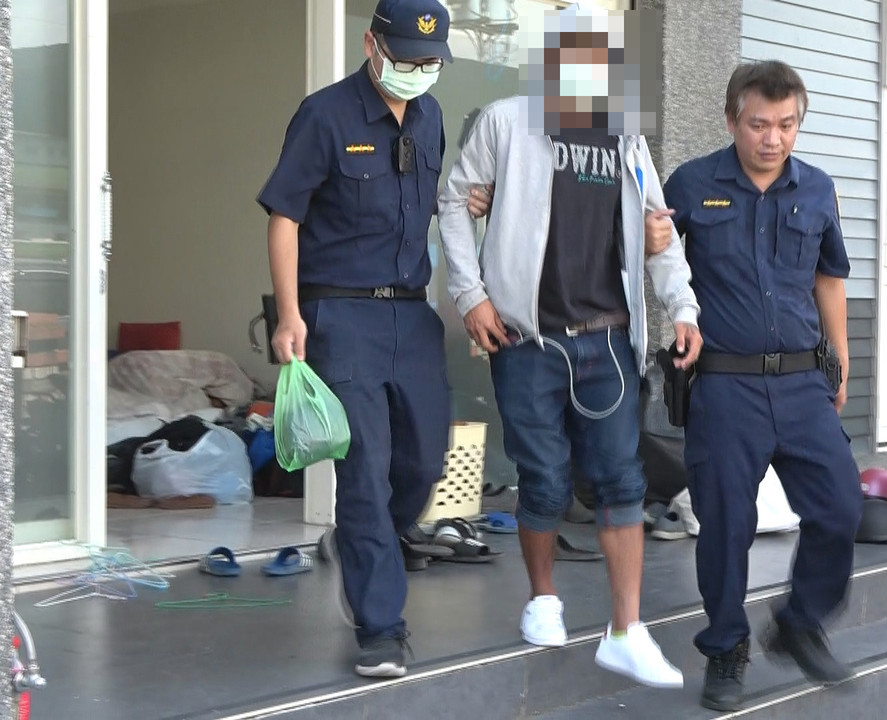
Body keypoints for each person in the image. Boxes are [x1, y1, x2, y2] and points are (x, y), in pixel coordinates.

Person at [436, 4, 701, 689]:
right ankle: (543, 601)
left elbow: (660, 230)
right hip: (527, 341)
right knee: (545, 480)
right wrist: (471, 296)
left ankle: (626, 631)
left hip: (607, 340)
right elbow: (454, 201)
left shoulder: (625, 137)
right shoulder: (506, 122)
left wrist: (682, 307)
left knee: (622, 482)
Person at [256, 0, 463, 679]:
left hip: (413, 316)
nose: (418, 71)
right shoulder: (325, 115)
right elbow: (284, 217)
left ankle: (356, 541)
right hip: (341, 315)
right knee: (366, 471)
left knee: (424, 462)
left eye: (430, 62)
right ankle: (381, 627)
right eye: (407, 58)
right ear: (373, 44)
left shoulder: (430, 117)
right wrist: (289, 314)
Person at [661, 60, 863, 711]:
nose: (772, 138)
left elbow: (829, 276)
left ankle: (801, 621)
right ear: (731, 120)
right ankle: (726, 647)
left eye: (786, 124)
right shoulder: (691, 185)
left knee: (841, 506)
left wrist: (841, 357)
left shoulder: (818, 189)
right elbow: (654, 264)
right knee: (725, 525)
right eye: (758, 124)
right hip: (726, 385)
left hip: (803, 381)